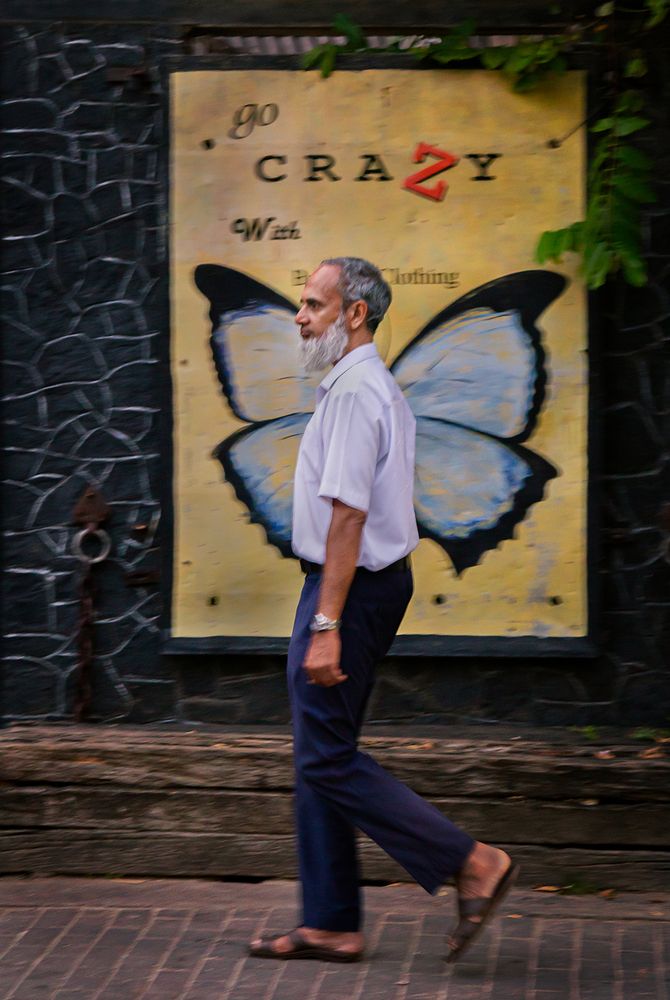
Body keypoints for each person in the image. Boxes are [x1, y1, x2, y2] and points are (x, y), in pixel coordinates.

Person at [249, 257, 518, 965]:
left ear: (354, 313)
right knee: (319, 755)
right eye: (301, 305)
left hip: (349, 589)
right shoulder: (359, 387)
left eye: (312, 304)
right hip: (357, 585)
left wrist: (327, 625)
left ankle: (471, 862)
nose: (300, 317)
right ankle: (332, 920)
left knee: (328, 758)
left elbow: (348, 516)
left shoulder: (357, 394)